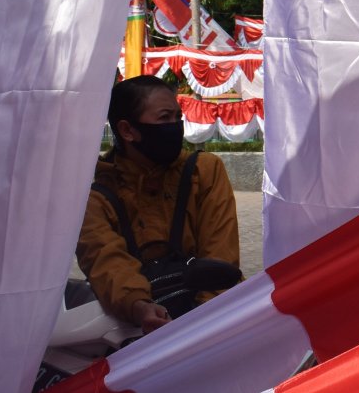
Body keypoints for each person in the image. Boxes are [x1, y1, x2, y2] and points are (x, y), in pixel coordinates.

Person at [76, 75, 240, 334]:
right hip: (136, 329)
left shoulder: (204, 171)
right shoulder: (95, 195)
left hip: (212, 320)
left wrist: (203, 325)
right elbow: (105, 262)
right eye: (164, 118)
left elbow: (220, 255)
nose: (175, 126)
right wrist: (140, 307)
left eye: (177, 117)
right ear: (128, 130)